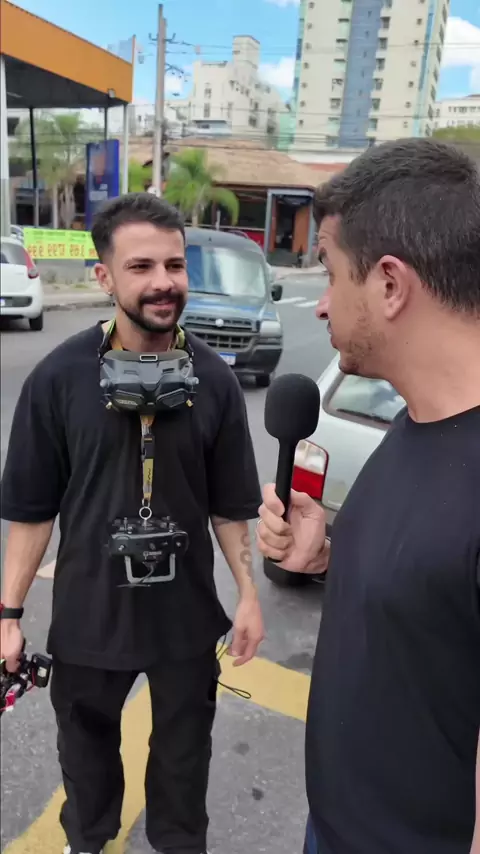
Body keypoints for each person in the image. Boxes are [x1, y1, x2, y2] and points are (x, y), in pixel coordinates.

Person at [0, 193, 265, 854]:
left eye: (173, 265)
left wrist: (249, 594)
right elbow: (32, 511)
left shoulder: (215, 381)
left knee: (184, 765)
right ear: (104, 277)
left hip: (185, 621)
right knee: (85, 759)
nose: (162, 282)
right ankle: (87, 841)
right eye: (141, 266)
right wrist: (8, 614)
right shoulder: (57, 380)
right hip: (90, 619)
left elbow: (230, 505)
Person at [256, 138, 480, 854]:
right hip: (336, 825)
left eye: (330, 273)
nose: (322, 305)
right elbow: (436, 601)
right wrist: (329, 557)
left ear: (389, 284)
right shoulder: (418, 419)